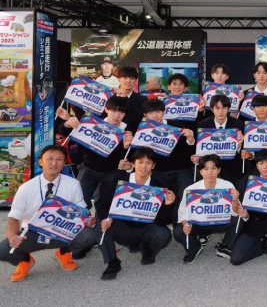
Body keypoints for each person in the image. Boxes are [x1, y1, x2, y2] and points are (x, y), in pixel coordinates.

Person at [0, 145, 97, 282]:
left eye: (59, 159)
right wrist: (12, 237)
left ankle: (63, 252)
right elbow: (13, 219)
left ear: (64, 163)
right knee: (3, 251)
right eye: (50, 159)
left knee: (90, 235)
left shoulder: (73, 184)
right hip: (32, 233)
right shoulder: (26, 188)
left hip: (62, 230)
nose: (54, 163)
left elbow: (82, 212)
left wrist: (88, 220)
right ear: (40, 162)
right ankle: (25, 259)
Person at [96, 148, 176, 280]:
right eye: (140, 162)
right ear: (133, 164)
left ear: (153, 166)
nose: (144, 166)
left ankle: (147, 247)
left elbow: (163, 221)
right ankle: (112, 262)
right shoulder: (121, 179)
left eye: (148, 163)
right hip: (123, 228)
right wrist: (106, 219)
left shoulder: (158, 186)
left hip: (146, 229)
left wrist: (167, 205)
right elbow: (103, 205)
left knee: (164, 234)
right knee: (101, 224)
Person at [56, 95, 133, 209]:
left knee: (104, 205)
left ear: (125, 114)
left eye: (121, 112)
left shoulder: (127, 132)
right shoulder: (93, 124)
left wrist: (126, 147)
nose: (117, 115)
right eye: (113, 111)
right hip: (88, 169)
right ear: (106, 109)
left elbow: (127, 159)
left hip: (111, 173)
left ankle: (99, 220)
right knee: (78, 202)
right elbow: (65, 132)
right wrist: (67, 123)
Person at [121, 99, 196, 206]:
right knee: (157, 202)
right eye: (151, 112)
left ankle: (181, 217)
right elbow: (135, 154)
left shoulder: (176, 126)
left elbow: (190, 151)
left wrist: (190, 140)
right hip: (159, 172)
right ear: (145, 115)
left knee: (187, 199)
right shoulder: (142, 130)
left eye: (158, 111)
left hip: (181, 170)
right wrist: (128, 146)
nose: (155, 115)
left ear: (164, 112)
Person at [174, 154, 240, 262]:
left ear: (219, 170)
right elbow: (182, 211)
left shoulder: (228, 186)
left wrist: (235, 199)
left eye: (213, 168)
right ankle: (195, 247)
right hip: (199, 223)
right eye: (206, 169)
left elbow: (235, 212)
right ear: (201, 171)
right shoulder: (191, 190)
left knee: (239, 220)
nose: (210, 172)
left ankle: (225, 246)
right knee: (179, 231)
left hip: (219, 221)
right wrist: (186, 224)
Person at [196, 94, 246, 193]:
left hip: (233, 168)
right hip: (211, 169)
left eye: (224, 108)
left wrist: (239, 146)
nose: (220, 111)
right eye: (217, 108)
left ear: (228, 109)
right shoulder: (203, 125)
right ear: (212, 109)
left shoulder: (238, 124)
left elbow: (243, 150)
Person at [115, 66, 147, 131]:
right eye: (125, 78)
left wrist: (125, 98)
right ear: (119, 79)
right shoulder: (109, 97)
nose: (128, 81)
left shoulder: (142, 99)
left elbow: (139, 119)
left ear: (135, 80)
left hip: (131, 135)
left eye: (132, 78)